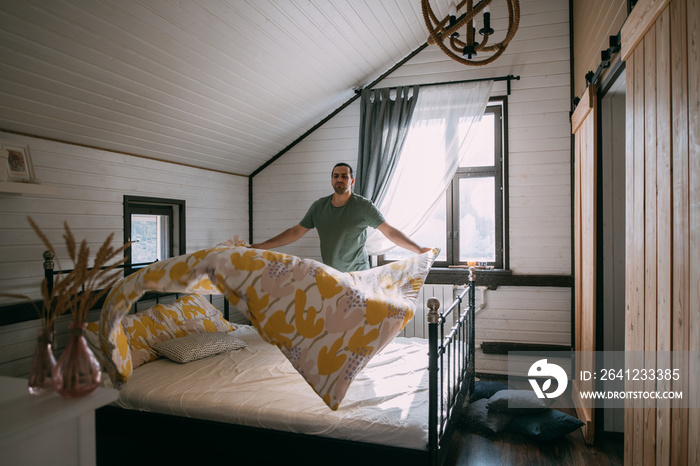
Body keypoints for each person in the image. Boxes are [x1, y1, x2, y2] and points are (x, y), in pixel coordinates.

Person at [250, 162, 432, 272]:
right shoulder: (318, 206)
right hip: (331, 275)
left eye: (344, 176)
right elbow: (295, 232)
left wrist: (418, 249)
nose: (339, 179)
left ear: (351, 181)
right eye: (336, 176)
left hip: (358, 274)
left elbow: (389, 231)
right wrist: (260, 246)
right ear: (331, 180)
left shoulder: (364, 207)